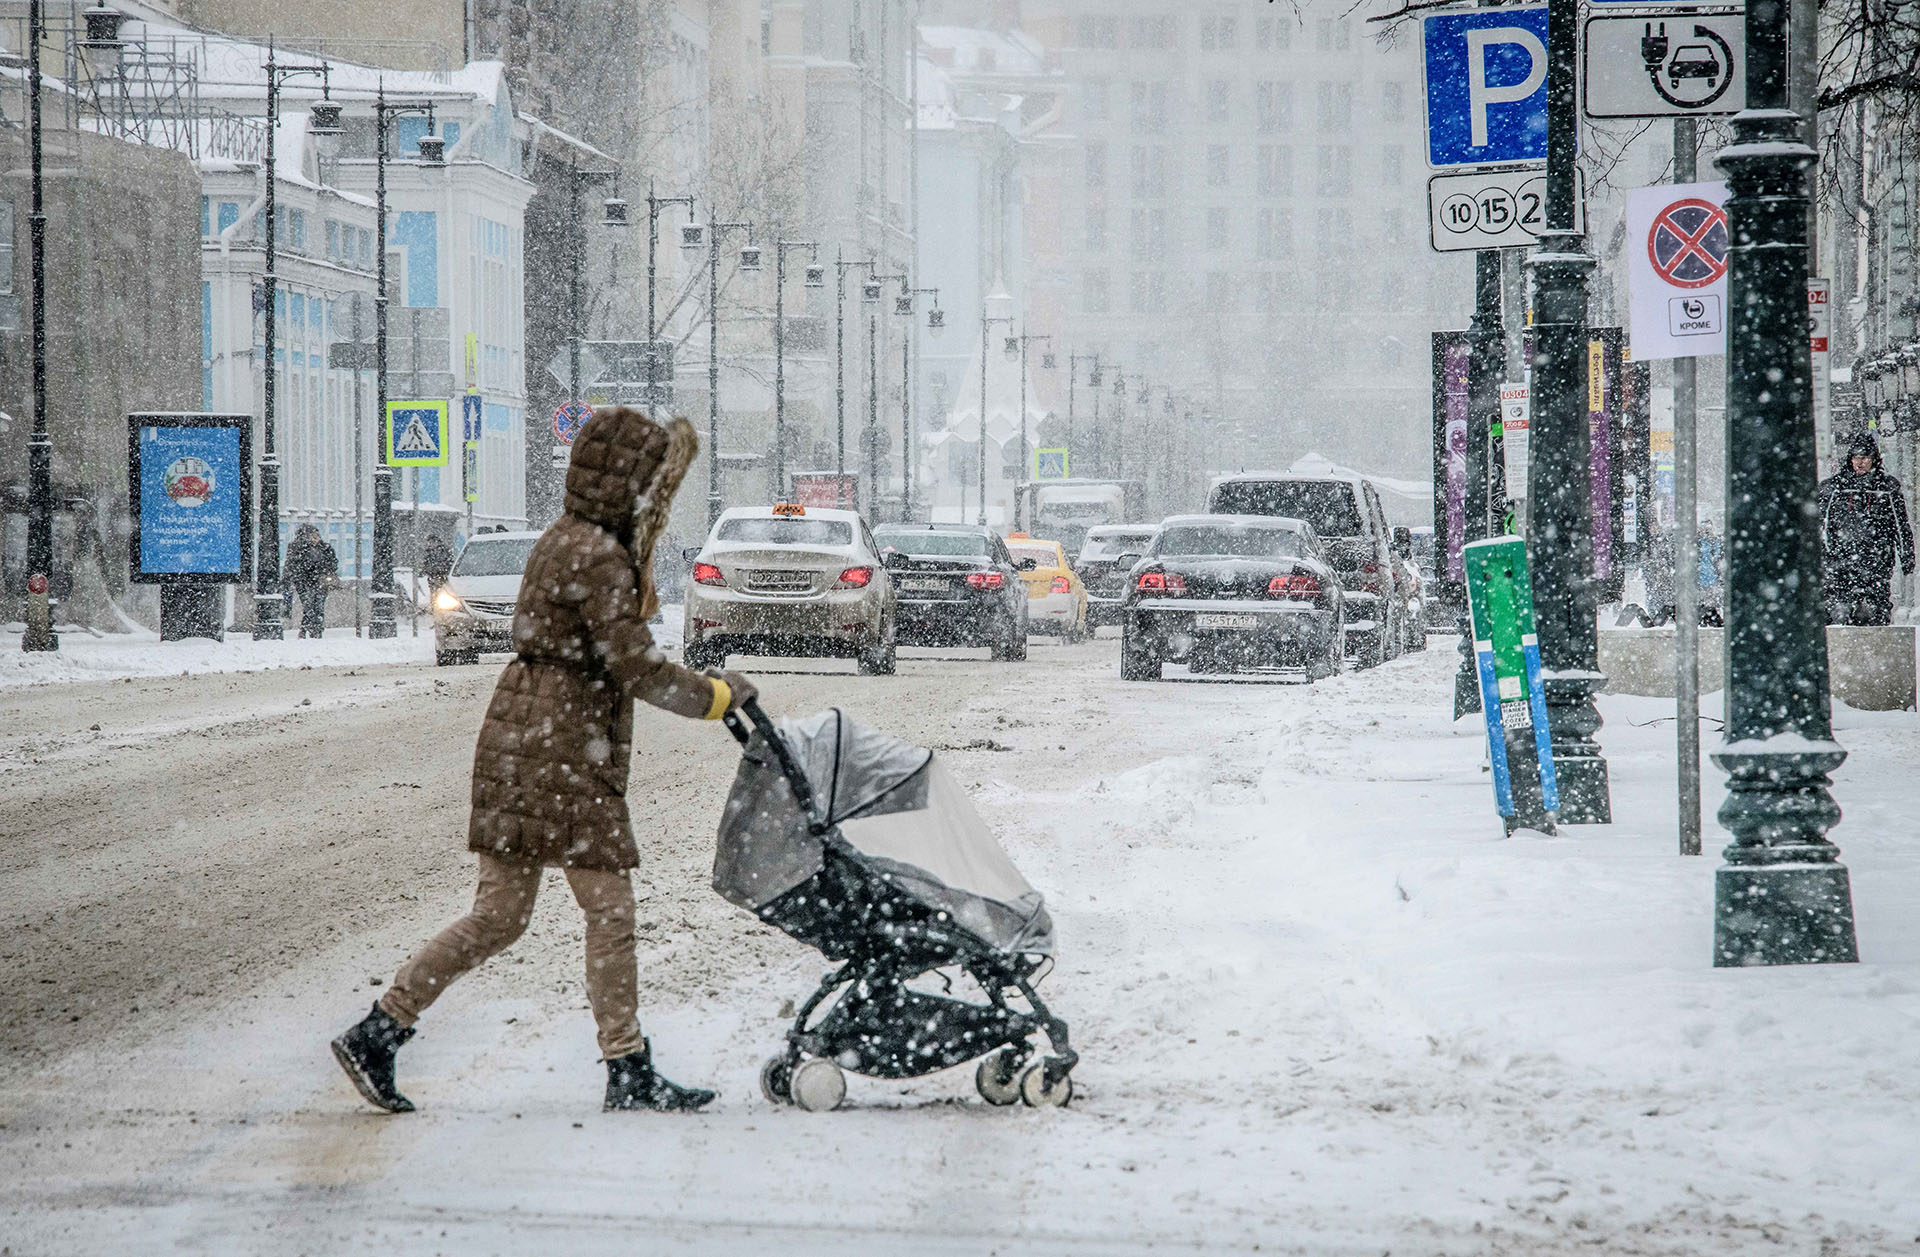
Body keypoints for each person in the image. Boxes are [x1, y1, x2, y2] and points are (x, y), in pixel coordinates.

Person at [331, 407, 757, 1115]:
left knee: (500, 914)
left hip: (524, 731)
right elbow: (634, 664)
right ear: (625, 478)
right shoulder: (597, 553)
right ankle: (627, 1067)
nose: (654, 491)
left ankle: (380, 1027)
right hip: (564, 744)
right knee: (609, 909)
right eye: (648, 478)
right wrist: (715, 696)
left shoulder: (568, 537)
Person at [1818, 434, 1915, 626]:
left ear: (1874, 460)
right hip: (1840, 561)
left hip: (1876, 561)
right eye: (1856, 457)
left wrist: (1906, 554)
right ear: (1850, 459)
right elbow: (1823, 524)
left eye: (1865, 458)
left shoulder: (1887, 488)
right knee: (1838, 609)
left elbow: (1900, 524)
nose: (1860, 463)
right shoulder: (1834, 488)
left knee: (1875, 610)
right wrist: (1826, 553)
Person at [283, 524, 338, 639]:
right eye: (313, 535)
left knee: (318, 606)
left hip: (321, 583)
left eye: (317, 535)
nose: (316, 538)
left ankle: (313, 630)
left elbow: (333, 563)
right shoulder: (297, 549)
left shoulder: (325, 548)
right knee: (309, 607)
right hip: (304, 583)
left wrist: (326, 572)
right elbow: (292, 566)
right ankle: (311, 628)